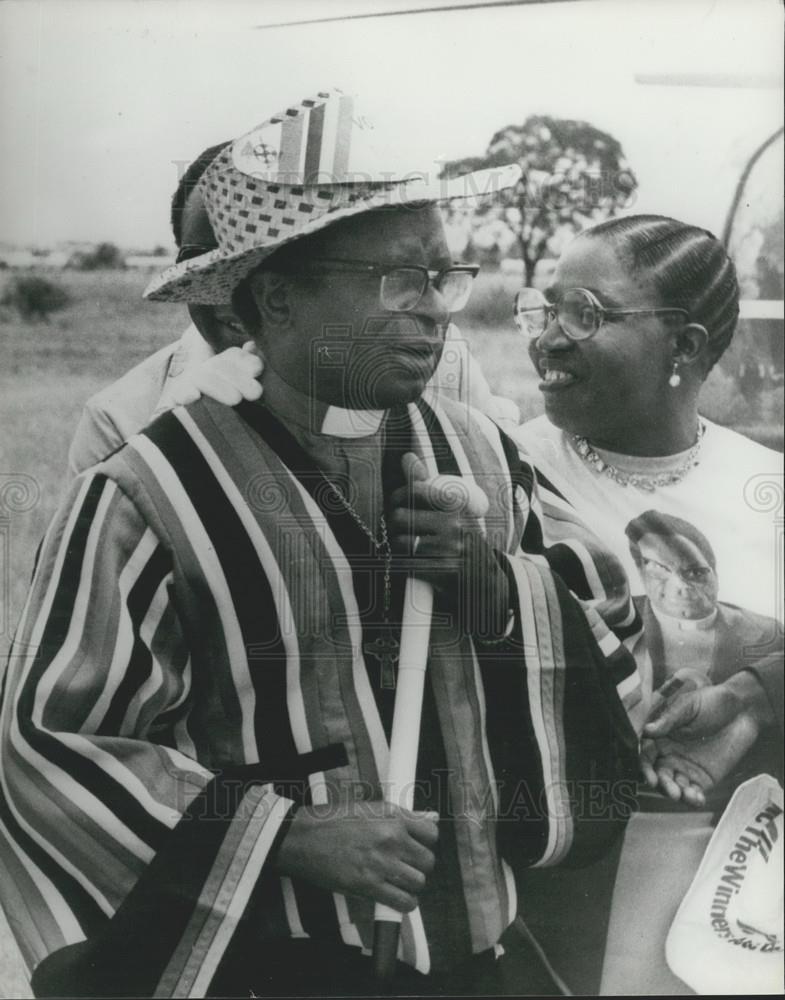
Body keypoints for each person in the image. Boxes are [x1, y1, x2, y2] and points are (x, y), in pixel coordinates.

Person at [0, 92, 641, 999]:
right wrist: (287, 834)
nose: (437, 310)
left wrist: (494, 584)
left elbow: (613, 626)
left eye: (444, 276)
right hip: (270, 968)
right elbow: (48, 744)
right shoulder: (148, 494)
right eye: (399, 280)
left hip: (478, 952)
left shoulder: (480, 452)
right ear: (277, 298)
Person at [509, 213, 783, 993]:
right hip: (563, 886)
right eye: (547, 308)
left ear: (684, 346)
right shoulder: (506, 472)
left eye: (585, 314)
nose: (548, 338)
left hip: (749, 878)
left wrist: (751, 700)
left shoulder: (765, 484)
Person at [67, 145, 517, 478]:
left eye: (268, 261)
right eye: (211, 267)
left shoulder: (430, 360)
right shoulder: (121, 416)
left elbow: (505, 480)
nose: (236, 296)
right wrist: (173, 443)